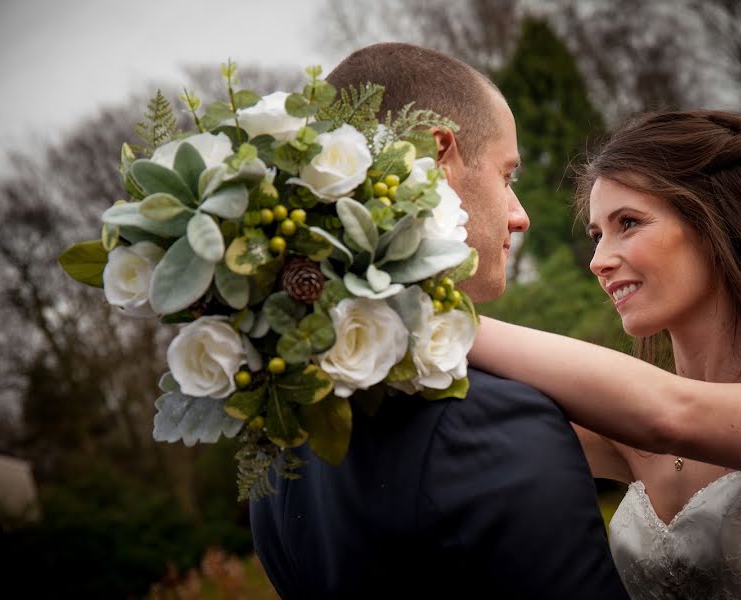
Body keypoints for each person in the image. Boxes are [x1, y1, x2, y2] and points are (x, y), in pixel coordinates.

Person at [249, 43, 628, 599]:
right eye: (508, 175)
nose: (519, 215)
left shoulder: (282, 437)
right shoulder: (489, 426)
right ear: (438, 157)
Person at [469, 109, 741, 598]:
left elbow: (671, 415)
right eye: (597, 235)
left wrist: (434, 319)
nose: (599, 261)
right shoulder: (626, 434)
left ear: (720, 223)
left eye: (629, 223)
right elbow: (478, 426)